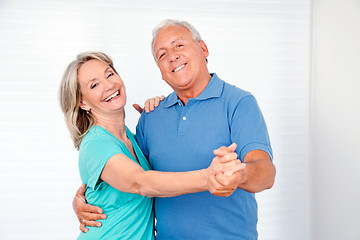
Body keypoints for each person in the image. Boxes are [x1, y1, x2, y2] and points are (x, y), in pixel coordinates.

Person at [74, 19, 276, 239]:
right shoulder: (151, 117)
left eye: (179, 45)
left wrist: (240, 174)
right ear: (161, 71)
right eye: (162, 54)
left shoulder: (239, 103)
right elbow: (128, 175)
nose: (172, 56)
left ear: (203, 48)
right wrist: (84, 199)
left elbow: (265, 173)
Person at [59, 51, 243, 239]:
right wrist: (208, 177)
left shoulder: (131, 138)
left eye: (110, 74)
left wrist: (160, 117)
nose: (109, 85)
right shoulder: (96, 144)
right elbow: (141, 182)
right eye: (94, 85)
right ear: (82, 102)